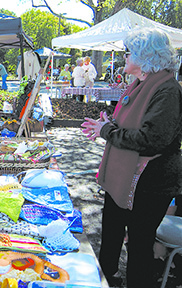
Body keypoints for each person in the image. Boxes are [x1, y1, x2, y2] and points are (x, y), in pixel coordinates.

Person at [81, 28, 182, 288]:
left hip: (149, 182)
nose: (125, 56)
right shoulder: (140, 82)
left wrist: (108, 131)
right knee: (112, 233)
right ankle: (107, 277)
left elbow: (151, 140)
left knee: (139, 245)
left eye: (129, 52)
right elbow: (127, 122)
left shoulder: (167, 90)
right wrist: (108, 124)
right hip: (125, 178)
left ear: (145, 55)